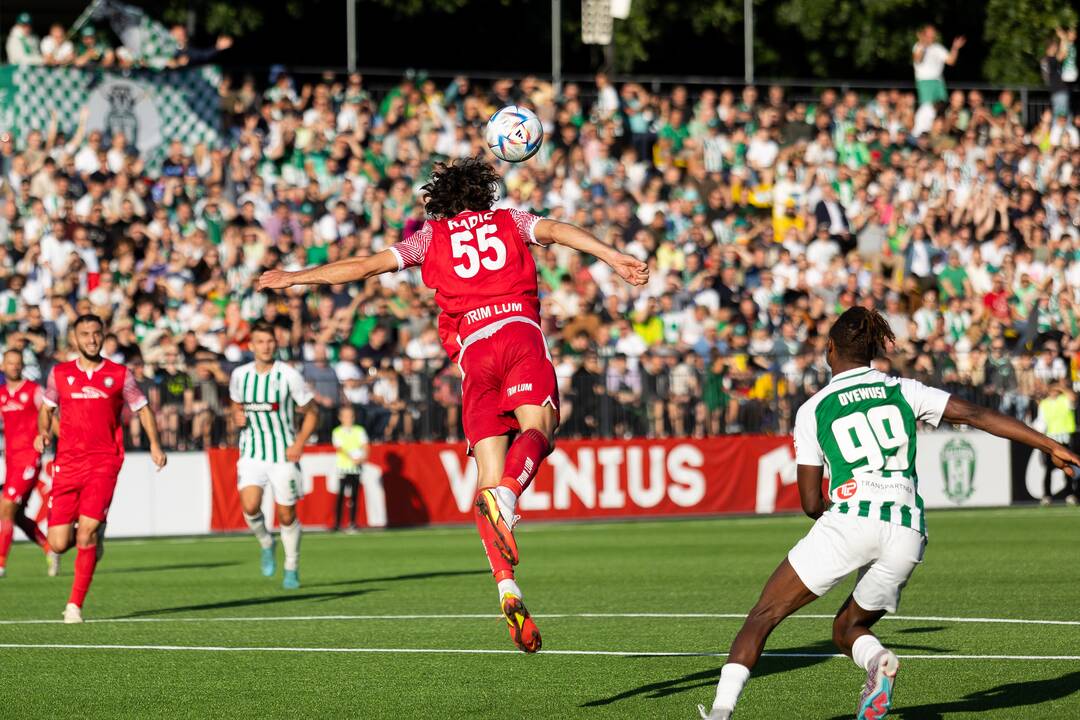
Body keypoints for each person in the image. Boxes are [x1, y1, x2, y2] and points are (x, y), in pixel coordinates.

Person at [258, 156, 648, 653]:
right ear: (483, 194)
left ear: (440, 201)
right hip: (516, 332)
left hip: (473, 353)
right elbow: (560, 230)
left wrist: (296, 277)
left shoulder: (427, 239)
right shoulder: (511, 220)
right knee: (541, 428)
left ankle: (507, 586)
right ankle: (509, 494)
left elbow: (364, 266)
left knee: (485, 479)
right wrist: (612, 256)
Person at [699, 307, 1080, 720]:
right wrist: (1048, 445)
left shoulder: (814, 409)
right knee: (848, 630)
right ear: (873, 350)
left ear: (830, 350)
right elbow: (976, 415)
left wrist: (840, 507)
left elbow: (810, 503)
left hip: (850, 520)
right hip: (906, 530)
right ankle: (878, 660)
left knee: (764, 615)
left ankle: (721, 711)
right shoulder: (904, 390)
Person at [34, 315, 167, 623]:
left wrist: (155, 445)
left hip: (103, 462)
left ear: (103, 336)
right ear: (75, 339)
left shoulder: (120, 375)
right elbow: (47, 409)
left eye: (96, 333)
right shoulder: (59, 374)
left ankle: (74, 605)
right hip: (66, 464)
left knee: (86, 535)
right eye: (85, 334)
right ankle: (95, 532)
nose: (92, 339)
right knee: (57, 542)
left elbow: (143, 409)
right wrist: (43, 432)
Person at [228, 321, 317, 590]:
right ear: (251, 345)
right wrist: (236, 415)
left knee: (286, 514)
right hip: (252, 452)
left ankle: (291, 566)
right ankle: (267, 542)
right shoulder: (240, 375)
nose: (266, 346)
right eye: (260, 342)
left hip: (282, 453)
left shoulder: (289, 375)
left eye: (270, 342)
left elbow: (312, 412)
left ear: (275, 344)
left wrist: (299, 443)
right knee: (250, 506)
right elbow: (235, 404)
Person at [0, 349, 58, 577]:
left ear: (22, 365)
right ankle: (50, 548)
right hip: (12, 461)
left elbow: (49, 414)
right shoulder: (2, 393)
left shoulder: (34, 390)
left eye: (18, 363)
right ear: (3, 366)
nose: (14, 366)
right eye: (10, 363)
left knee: (5, 509)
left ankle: (1, 564)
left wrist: (55, 435)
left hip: (29, 459)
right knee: (15, 514)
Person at [1035, 381, 1078, 506]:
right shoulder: (1044, 404)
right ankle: (1047, 495)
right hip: (1050, 440)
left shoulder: (1064, 400)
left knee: (1068, 468)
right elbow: (1041, 422)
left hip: (1065, 439)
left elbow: (1073, 398)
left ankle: (1070, 494)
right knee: (1048, 469)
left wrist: (1061, 387)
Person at [331, 405, 369, 532]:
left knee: (354, 496)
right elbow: (339, 448)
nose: (348, 419)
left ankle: (352, 522)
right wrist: (352, 458)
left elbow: (365, 445)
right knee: (341, 496)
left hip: (356, 468)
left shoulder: (359, 430)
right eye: (345, 416)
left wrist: (362, 458)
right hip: (343, 467)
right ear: (340, 418)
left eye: (350, 416)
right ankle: (337, 523)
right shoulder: (337, 431)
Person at [912, 24, 964, 107]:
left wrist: (955, 48)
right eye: (929, 33)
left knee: (942, 107)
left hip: (939, 82)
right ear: (924, 34)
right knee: (928, 108)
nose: (932, 35)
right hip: (925, 82)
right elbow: (917, 59)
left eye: (933, 33)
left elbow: (951, 61)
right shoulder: (918, 46)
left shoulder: (938, 48)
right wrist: (922, 43)